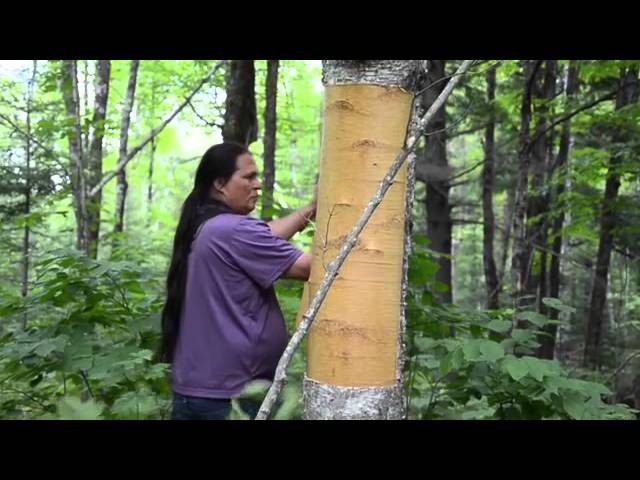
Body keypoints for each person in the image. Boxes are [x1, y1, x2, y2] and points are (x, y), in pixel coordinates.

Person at [158, 142, 315, 420]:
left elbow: (265, 234)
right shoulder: (233, 230)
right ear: (220, 184)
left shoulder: (208, 225)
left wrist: (311, 209)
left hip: (200, 391)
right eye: (249, 177)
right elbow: (309, 268)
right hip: (229, 397)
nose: (257, 185)